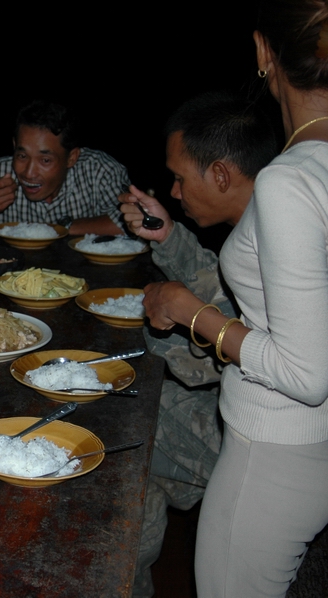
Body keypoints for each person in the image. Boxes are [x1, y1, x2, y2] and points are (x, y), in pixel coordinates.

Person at [143, 3, 328, 595]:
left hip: (273, 452)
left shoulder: (289, 179)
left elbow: (306, 372)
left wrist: (189, 311)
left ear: (262, 51)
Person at [119, 92, 277, 597]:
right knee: (130, 428)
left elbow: (260, 357)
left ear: (223, 176)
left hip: (266, 442)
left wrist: (182, 315)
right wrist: (168, 236)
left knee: (120, 431)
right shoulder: (259, 223)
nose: (174, 189)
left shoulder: (278, 239)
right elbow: (222, 291)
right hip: (240, 413)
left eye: (181, 178)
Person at [0, 100, 129, 235]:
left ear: (71, 158)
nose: (28, 173)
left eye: (45, 160)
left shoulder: (99, 171)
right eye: (21, 155)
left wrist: (57, 229)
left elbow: (134, 221)